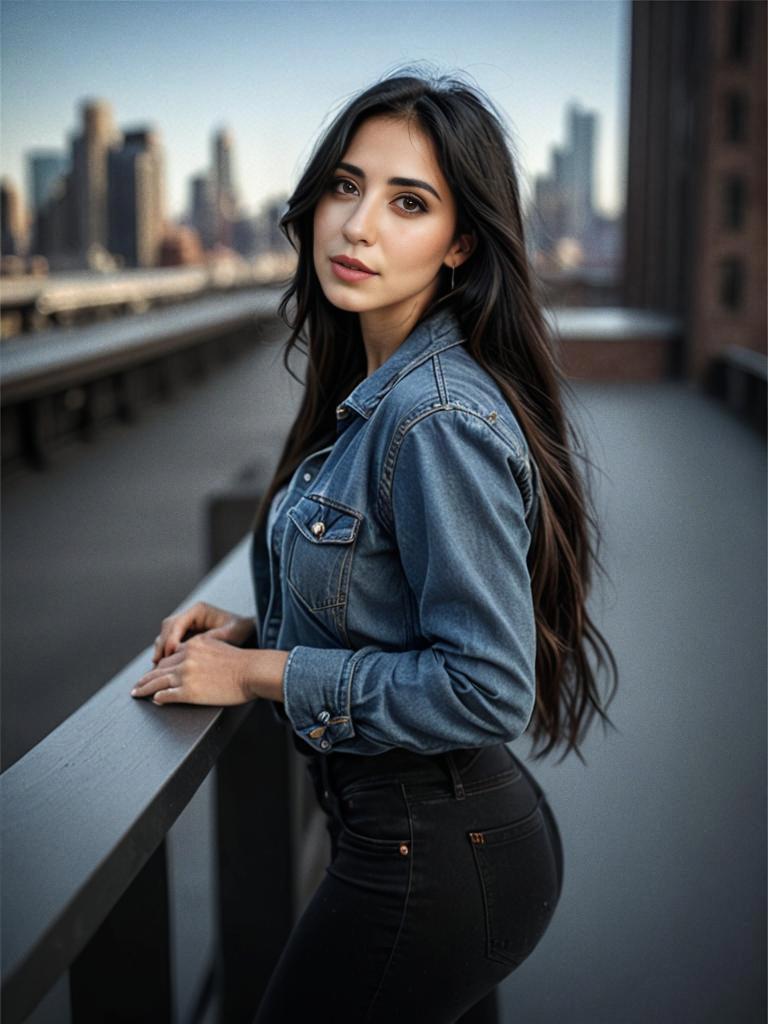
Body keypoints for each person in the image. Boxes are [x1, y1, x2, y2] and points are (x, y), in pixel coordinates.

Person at [131, 70, 618, 1023]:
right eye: (346, 187)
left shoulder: (433, 415)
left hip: (432, 860)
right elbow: (385, 591)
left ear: (460, 244)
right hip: (434, 846)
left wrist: (256, 671)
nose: (357, 225)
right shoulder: (381, 388)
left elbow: (486, 685)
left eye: (408, 203)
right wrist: (255, 621)